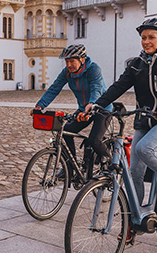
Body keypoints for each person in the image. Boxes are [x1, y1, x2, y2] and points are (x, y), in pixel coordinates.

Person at [85, 17, 157, 214]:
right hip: (145, 121)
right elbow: (118, 86)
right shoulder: (136, 64)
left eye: (151, 37)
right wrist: (97, 104)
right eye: (143, 38)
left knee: (144, 149)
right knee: (134, 173)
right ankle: (135, 217)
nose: (146, 41)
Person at [34, 44, 108, 180]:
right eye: (67, 61)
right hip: (82, 109)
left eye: (72, 61)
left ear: (82, 60)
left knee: (94, 140)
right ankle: (70, 167)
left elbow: (96, 88)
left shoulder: (93, 69)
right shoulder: (67, 73)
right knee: (66, 131)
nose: (69, 65)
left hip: (101, 109)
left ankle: (109, 162)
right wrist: (40, 106)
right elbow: (54, 88)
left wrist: (91, 105)